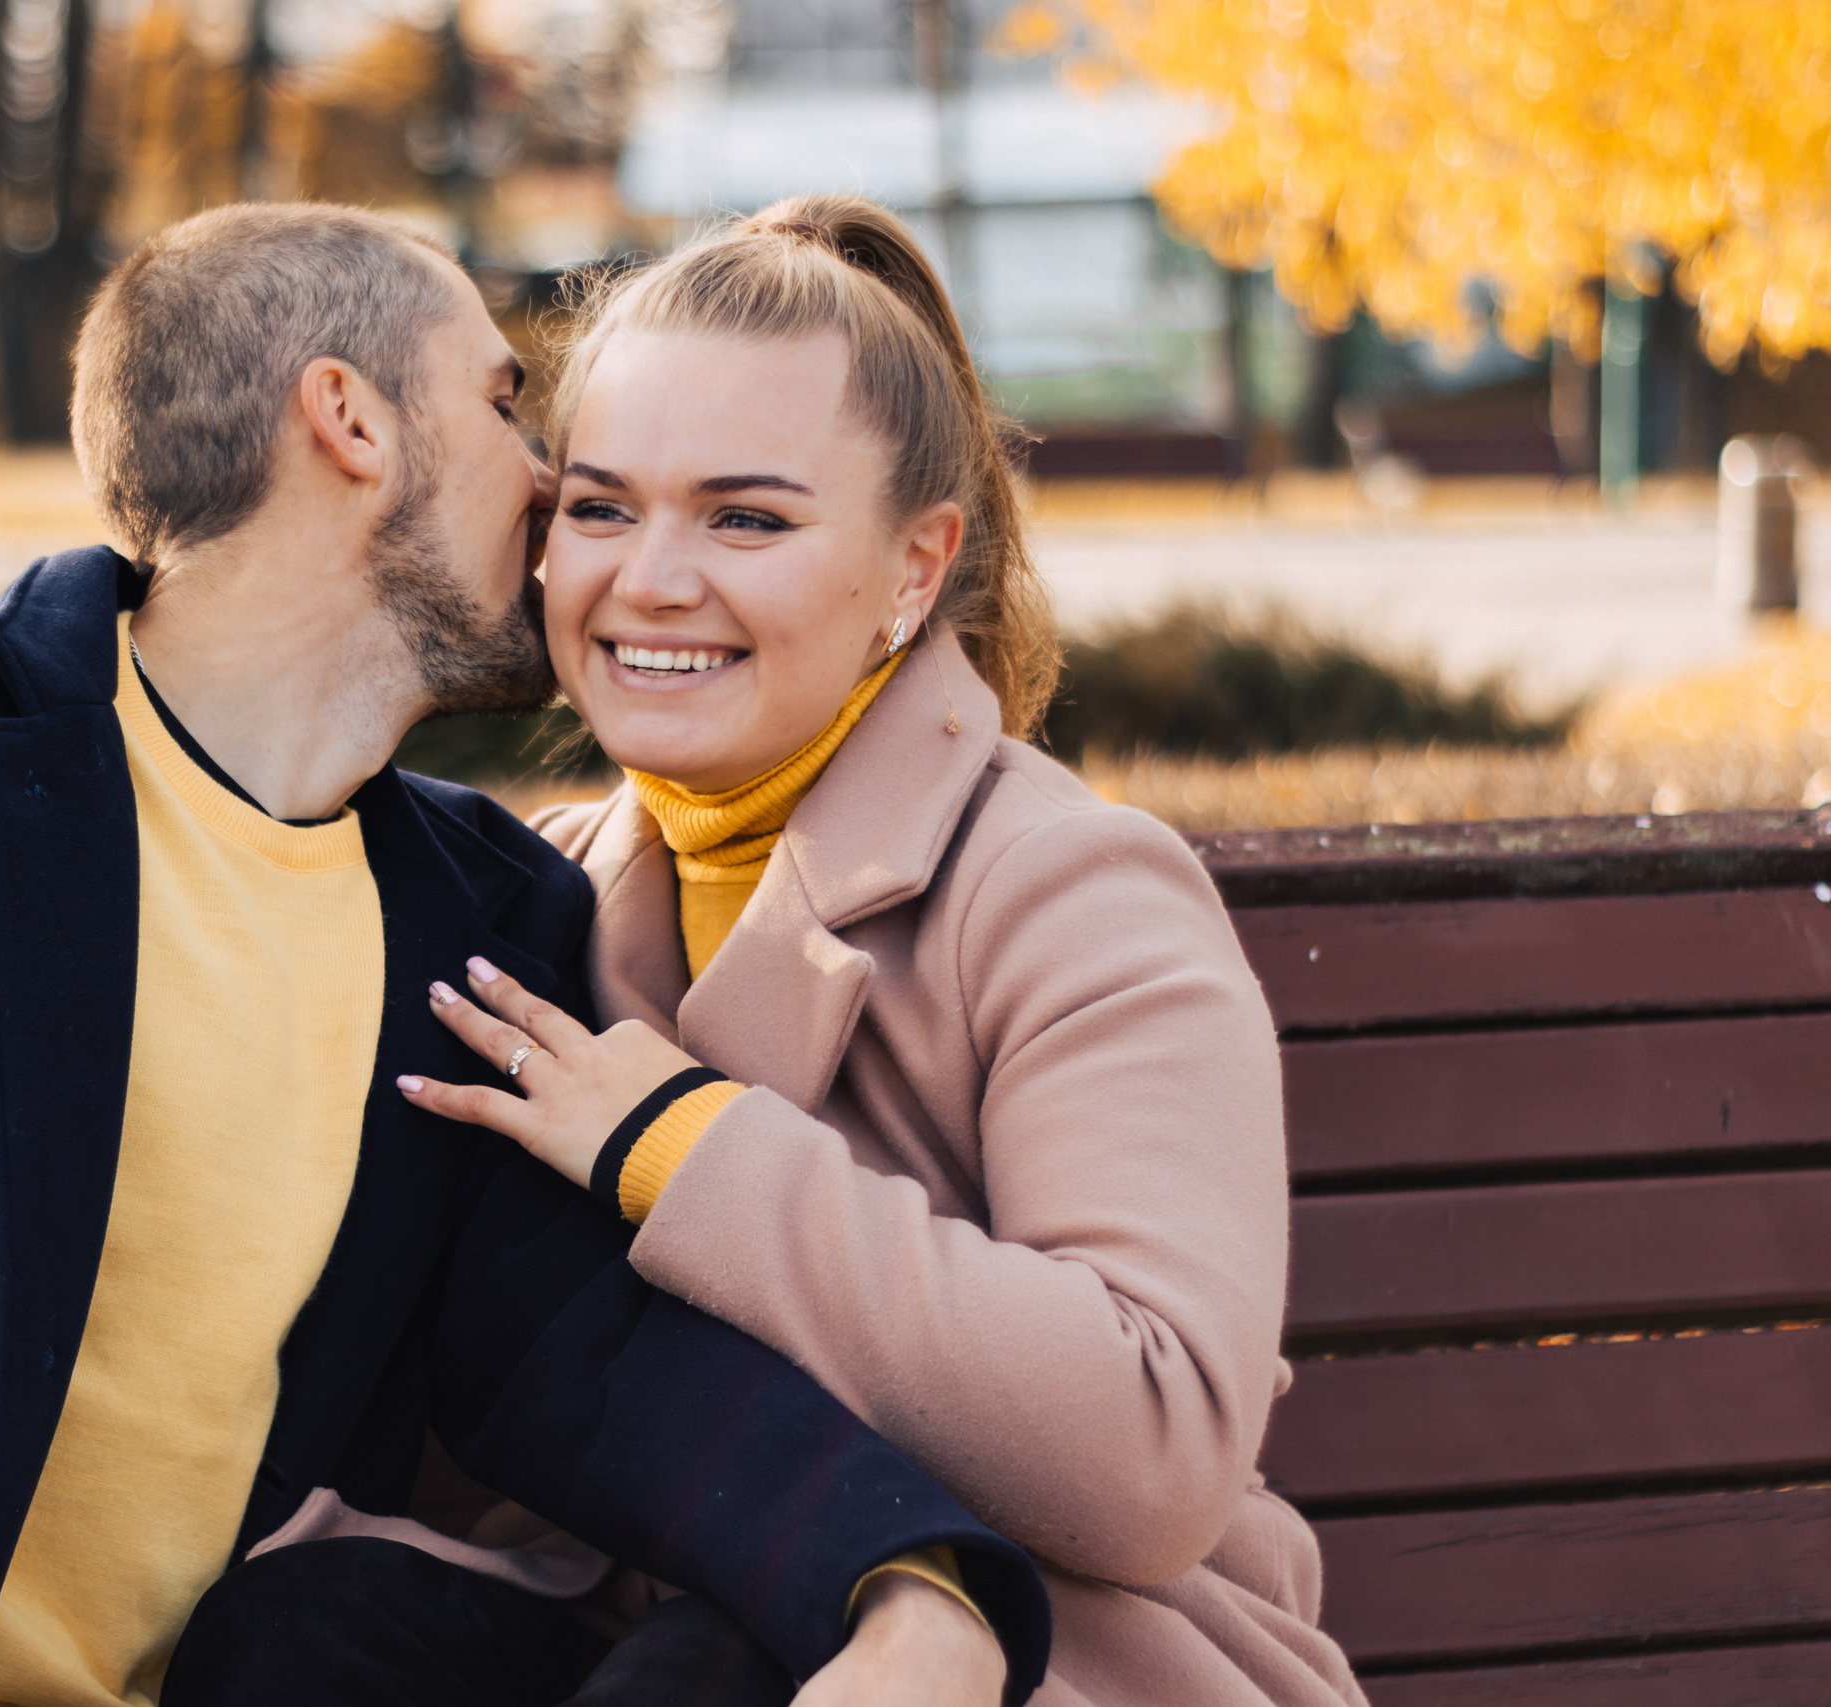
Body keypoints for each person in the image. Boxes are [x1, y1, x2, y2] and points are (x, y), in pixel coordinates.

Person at [0, 202, 1051, 1707]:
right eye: (501, 404)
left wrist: (915, 1584)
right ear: (349, 421)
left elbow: (585, 1357)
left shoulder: (478, 915)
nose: (554, 483)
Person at [402, 195, 1369, 1707]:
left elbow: (1155, 1441)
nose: (648, 578)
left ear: (917, 567)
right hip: (676, 1616)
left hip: (1057, 1659)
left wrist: (682, 1146)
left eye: (748, 519)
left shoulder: (1068, 892)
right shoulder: (562, 891)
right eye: (599, 506)